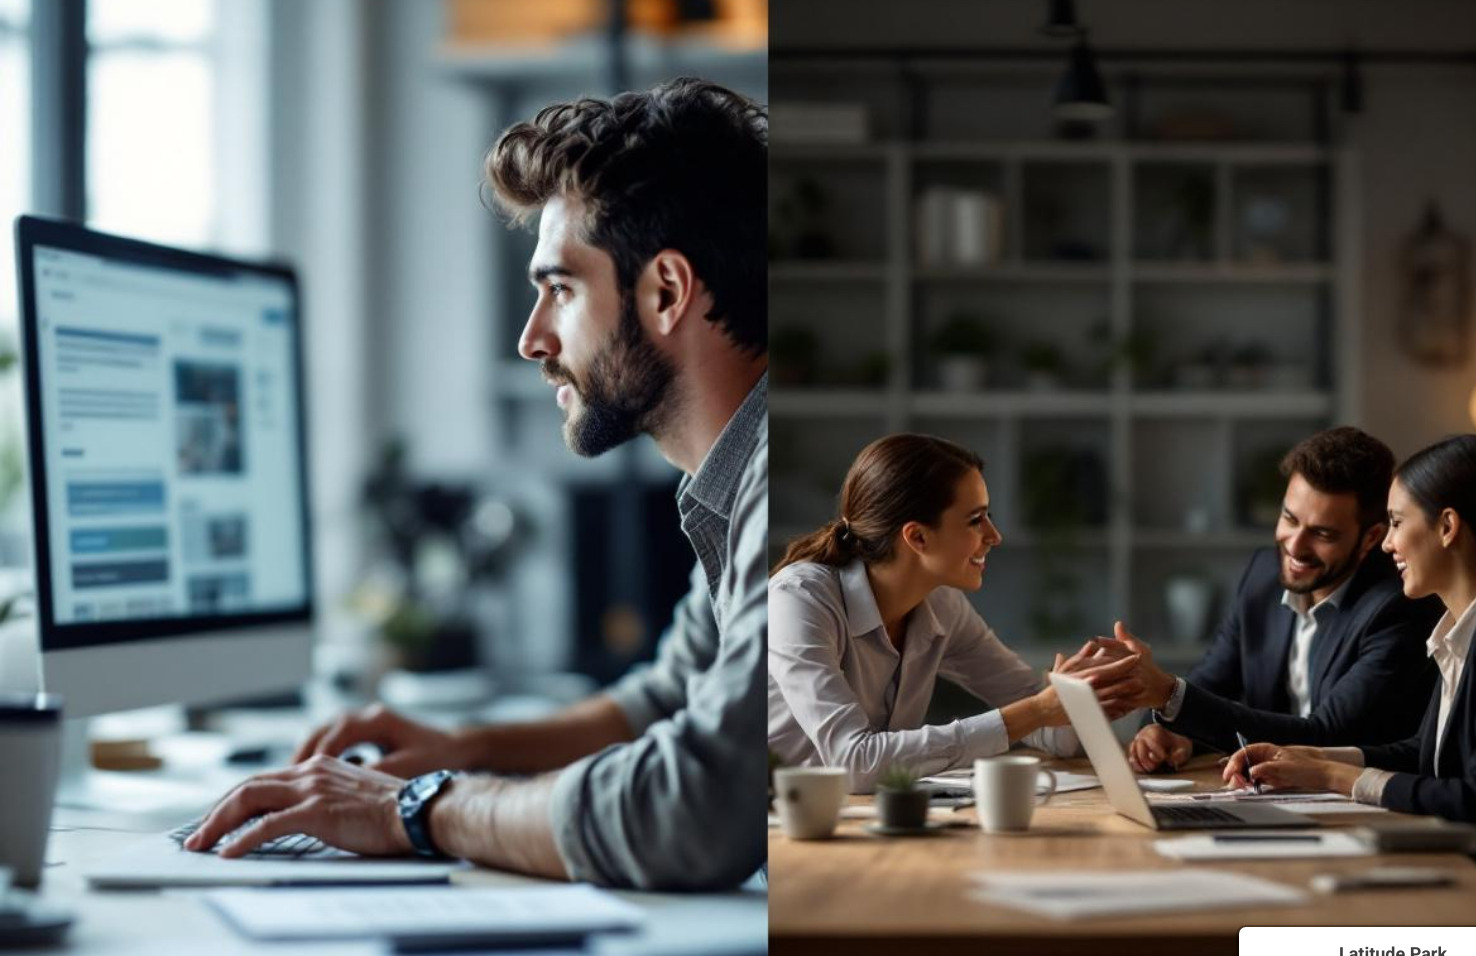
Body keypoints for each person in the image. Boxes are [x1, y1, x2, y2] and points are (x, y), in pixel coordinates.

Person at [185, 78, 768, 891]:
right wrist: (467, 751)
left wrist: (417, 809)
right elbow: (671, 696)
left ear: (664, 292)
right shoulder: (736, 483)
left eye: (560, 289)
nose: (532, 339)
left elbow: (695, 807)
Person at [1227, 434, 1476, 896]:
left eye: (1395, 523)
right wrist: (1311, 759)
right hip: (1463, 879)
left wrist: (1335, 777)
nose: (1387, 543)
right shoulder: (1472, 625)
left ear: (1447, 526)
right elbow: (1426, 755)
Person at [768, 433, 1138, 793]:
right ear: (917, 538)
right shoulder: (800, 600)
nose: (994, 535)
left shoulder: (942, 605)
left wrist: (1084, 695)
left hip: (863, 821)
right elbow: (854, 762)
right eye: (975, 519)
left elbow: (1042, 720)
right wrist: (1037, 711)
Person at [1081, 427, 1439, 772]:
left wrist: (1170, 695)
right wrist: (1167, 731)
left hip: (1365, 805)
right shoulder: (1264, 575)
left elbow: (1327, 736)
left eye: (1322, 533)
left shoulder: (1399, 606)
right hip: (1271, 792)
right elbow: (1213, 679)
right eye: (1289, 518)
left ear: (1370, 538)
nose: (1295, 545)